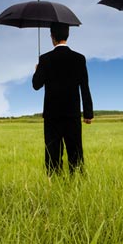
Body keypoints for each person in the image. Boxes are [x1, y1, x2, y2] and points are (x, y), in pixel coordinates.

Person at [32, 22, 94, 176]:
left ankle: (54, 183)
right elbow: (84, 87)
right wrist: (88, 113)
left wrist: (37, 71)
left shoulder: (45, 59)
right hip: (72, 113)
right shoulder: (79, 58)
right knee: (75, 152)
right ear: (68, 35)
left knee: (53, 153)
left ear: (52, 37)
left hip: (52, 115)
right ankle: (77, 183)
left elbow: (36, 85)